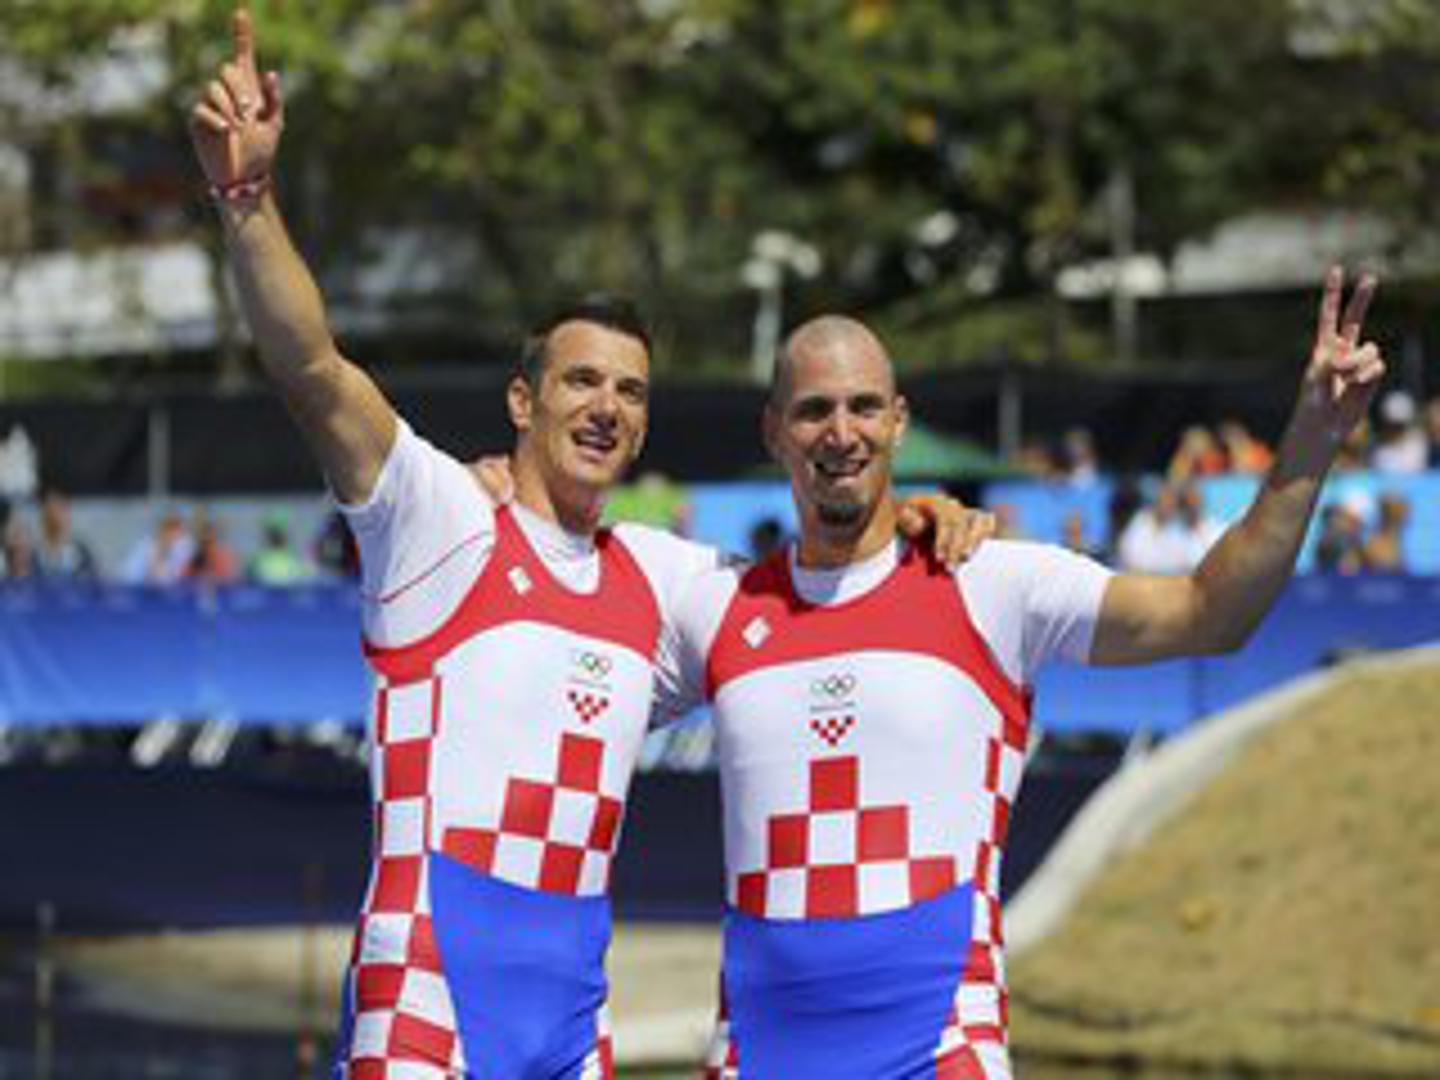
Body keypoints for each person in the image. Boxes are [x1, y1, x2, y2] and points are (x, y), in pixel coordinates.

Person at [188, 11, 989, 1076]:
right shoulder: (438, 519)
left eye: (631, 391)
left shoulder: (667, 580)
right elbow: (316, 372)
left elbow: (827, 586)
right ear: (523, 401)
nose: (607, 407)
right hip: (427, 999)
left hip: (574, 1034)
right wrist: (247, 197)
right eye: (580, 381)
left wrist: (918, 515)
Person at [664, 269, 1382, 1079]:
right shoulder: (717, 607)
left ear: (898, 421)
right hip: (755, 1059)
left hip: (940, 1055)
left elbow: (1209, 611)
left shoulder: (991, 581)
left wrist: (1314, 436)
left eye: (863, 406)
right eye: (813, 410)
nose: (841, 432)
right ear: (772, 431)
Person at [34, 488, 97, 580]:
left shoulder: (80, 552)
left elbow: (93, 581)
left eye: (60, 510)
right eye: (50, 511)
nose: (55, 516)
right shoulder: (35, 554)